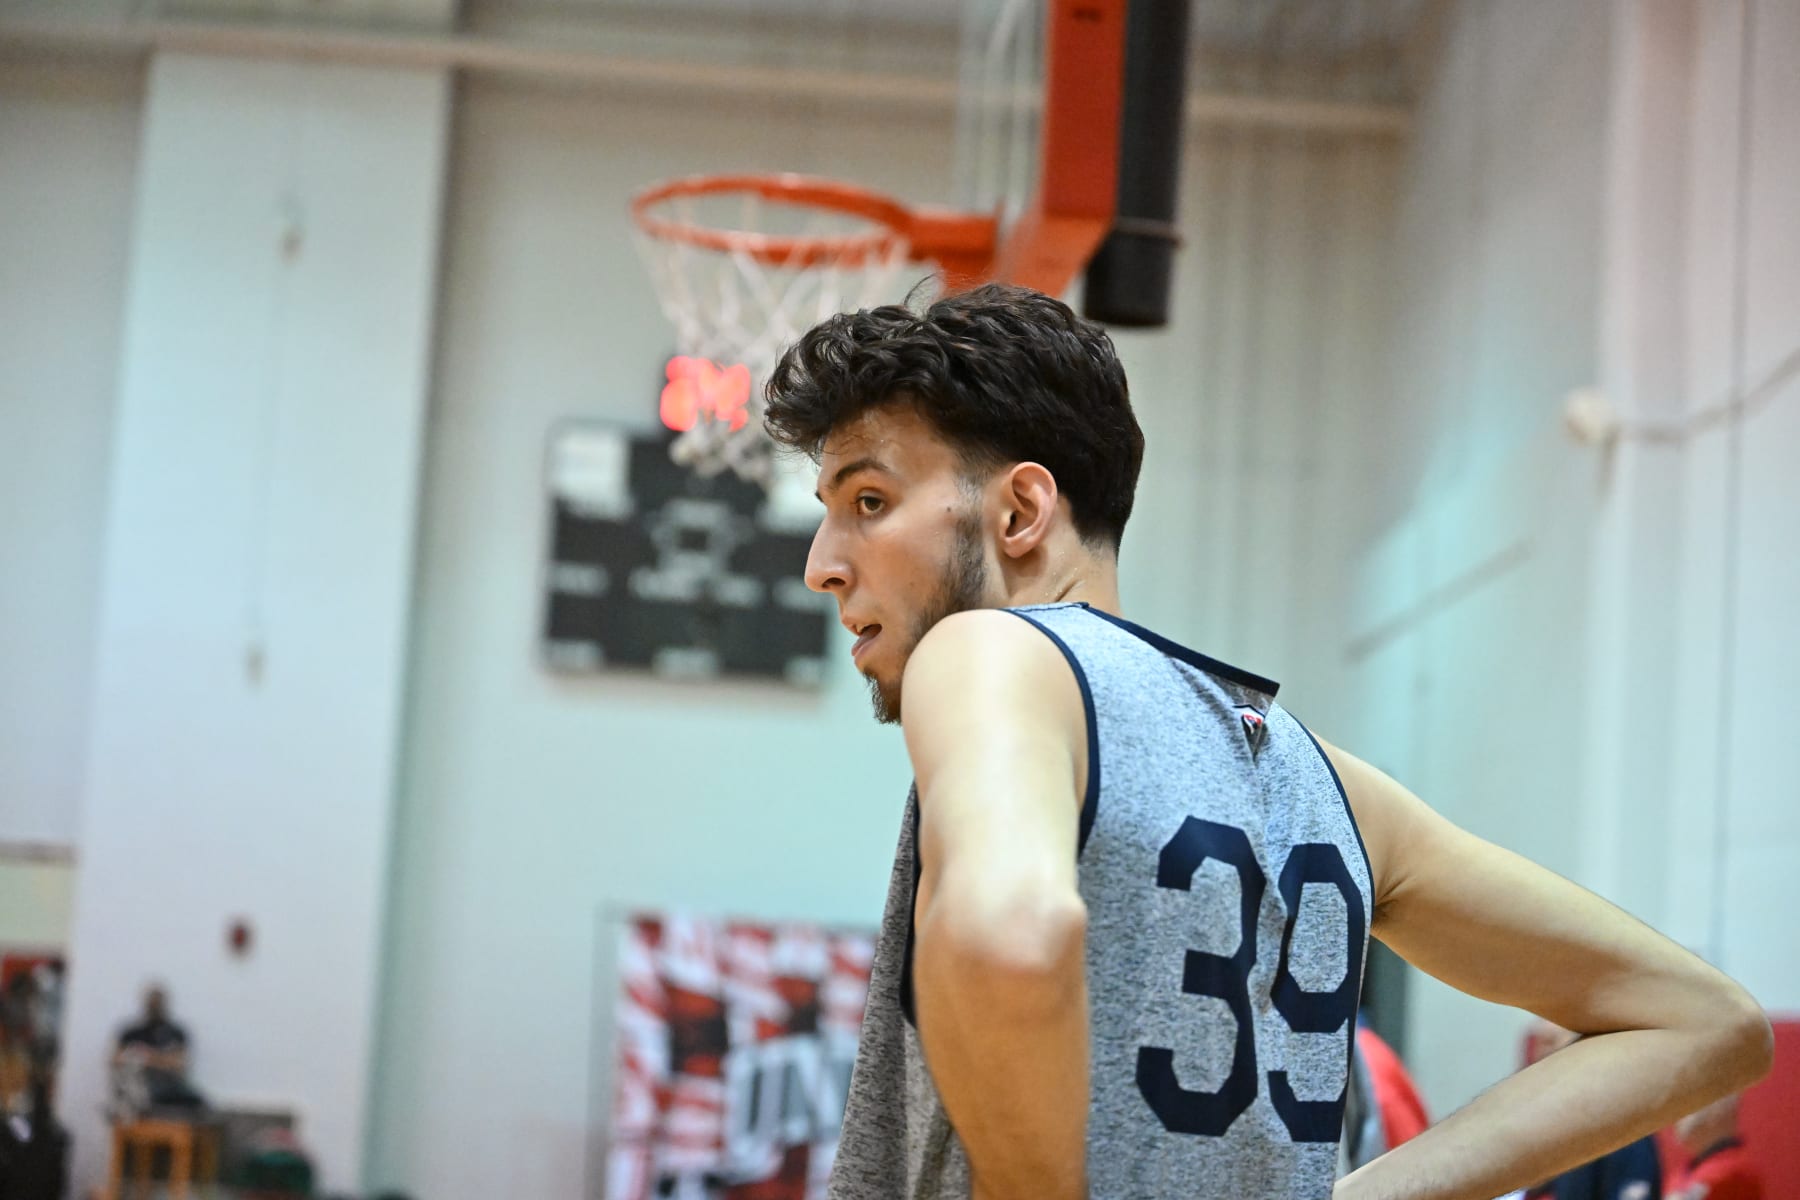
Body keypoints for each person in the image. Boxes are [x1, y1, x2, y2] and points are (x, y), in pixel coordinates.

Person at [761, 284, 1774, 1200]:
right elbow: (1707, 1024)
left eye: (869, 502)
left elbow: (1010, 934)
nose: (824, 566)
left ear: (1022, 508)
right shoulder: (1324, 780)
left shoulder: (987, 655)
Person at [1521, 1020, 1661, 1200]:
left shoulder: (1621, 1128)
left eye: (1553, 1043)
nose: (1543, 1057)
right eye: (1541, 1046)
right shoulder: (1559, 1130)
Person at [1667, 1093, 1761, 1200]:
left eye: (1691, 1103)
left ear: (1719, 1108)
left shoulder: (1734, 1173)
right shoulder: (1678, 1175)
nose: (1679, 1115)